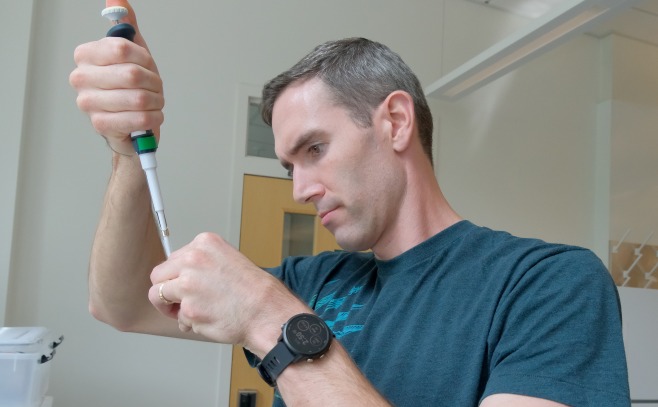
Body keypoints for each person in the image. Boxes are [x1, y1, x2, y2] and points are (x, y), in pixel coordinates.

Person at [70, 1, 630, 406]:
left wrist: (271, 318)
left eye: (315, 148)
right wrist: (125, 157)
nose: (300, 188)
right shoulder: (314, 282)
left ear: (395, 121)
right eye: (290, 166)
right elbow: (121, 304)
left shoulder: (547, 284)